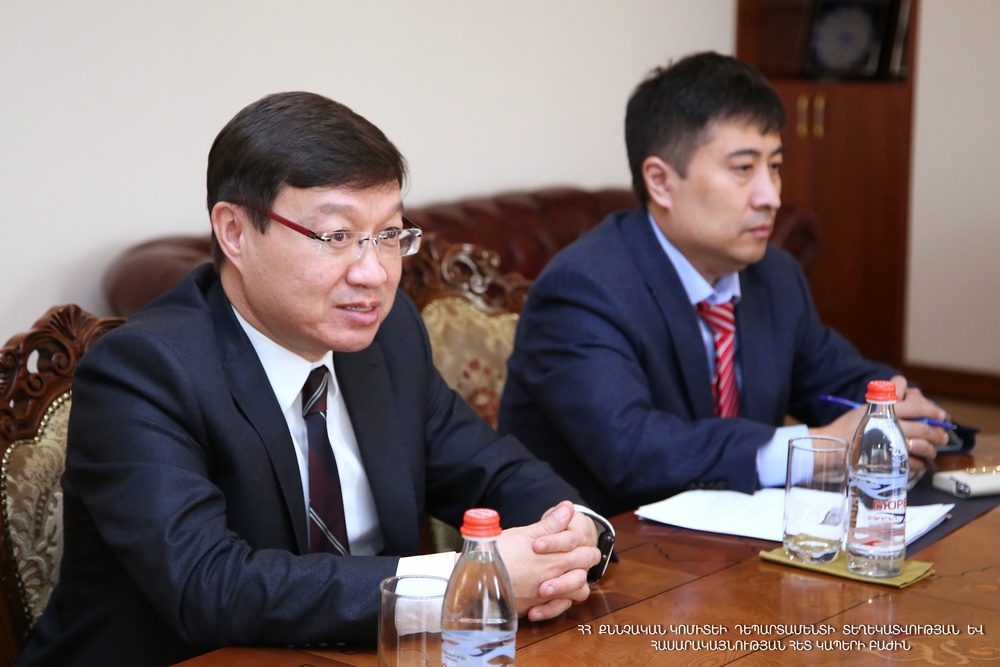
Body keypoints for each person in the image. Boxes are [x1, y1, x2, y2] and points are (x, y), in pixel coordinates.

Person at [19, 91, 602, 666]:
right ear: (234, 232)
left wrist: (574, 535)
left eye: (389, 235)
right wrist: (464, 584)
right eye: (336, 237)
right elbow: (210, 587)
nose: (374, 273)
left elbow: (493, 470)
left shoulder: (389, 336)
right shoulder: (144, 370)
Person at [498, 52, 947, 518]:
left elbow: (838, 379)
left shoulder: (773, 274)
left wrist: (904, 414)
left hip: (734, 538)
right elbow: (633, 450)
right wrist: (820, 449)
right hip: (605, 548)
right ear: (661, 182)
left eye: (775, 166)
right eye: (743, 169)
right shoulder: (583, 288)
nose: (771, 196)